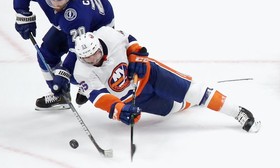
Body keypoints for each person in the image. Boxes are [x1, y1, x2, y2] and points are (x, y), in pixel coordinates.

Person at [51, 26, 261, 132]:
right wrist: (120, 111)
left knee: (195, 92)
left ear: (98, 45)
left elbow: (132, 42)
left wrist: (136, 58)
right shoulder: (81, 72)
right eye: (87, 57)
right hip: (135, 98)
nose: (93, 59)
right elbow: (99, 97)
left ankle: (238, 112)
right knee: (172, 108)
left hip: (152, 75)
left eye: (95, 53)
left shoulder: (108, 34)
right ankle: (192, 100)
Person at [13, 0, 115, 110]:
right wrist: (22, 13)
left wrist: (64, 72)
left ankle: (87, 84)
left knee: (84, 64)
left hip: (99, 23)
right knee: (45, 54)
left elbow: (75, 51)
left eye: (60, 0)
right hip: (70, 24)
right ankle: (60, 96)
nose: (55, 3)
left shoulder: (75, 15)